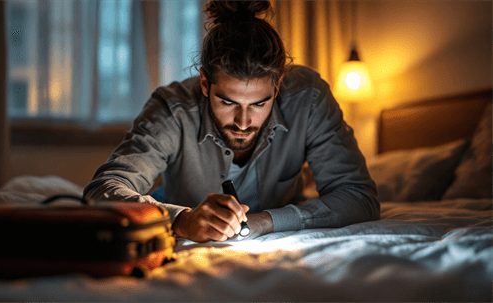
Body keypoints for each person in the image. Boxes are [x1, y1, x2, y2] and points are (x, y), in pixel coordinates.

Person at [83, 0, 379, 243]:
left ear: (277, 87)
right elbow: (102, 189)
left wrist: (266, 221)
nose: (243, 121)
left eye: (260, 103)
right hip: (176, 202)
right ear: (204, 84)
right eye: (228, 102)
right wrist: (182, 220)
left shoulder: (309, 97)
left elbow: (358, 196)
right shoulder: (172, 108)